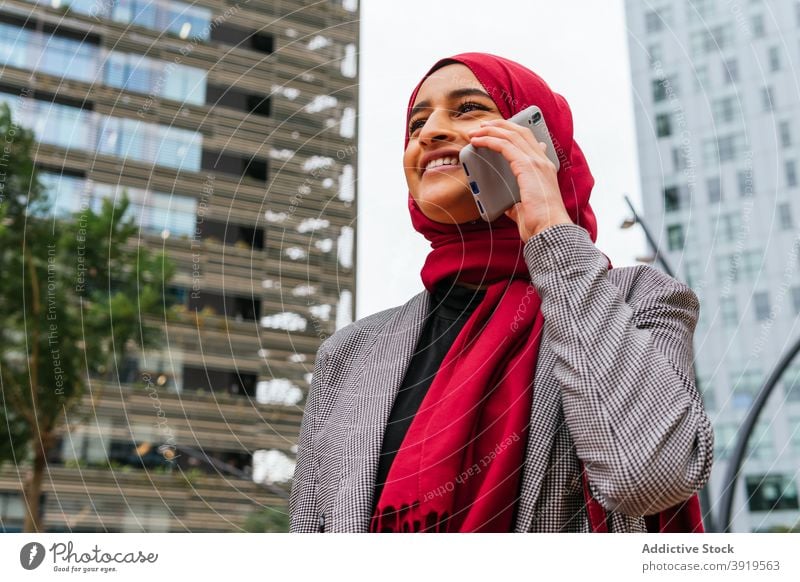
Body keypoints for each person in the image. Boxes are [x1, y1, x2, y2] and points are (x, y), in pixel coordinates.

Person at [289, 52, 714, 533]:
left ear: (539, 144)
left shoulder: (641, 302)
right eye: (417, 122)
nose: (430, 133)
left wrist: (549, 228)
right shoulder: (349, 355)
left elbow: (649, 474)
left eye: (468, 108)